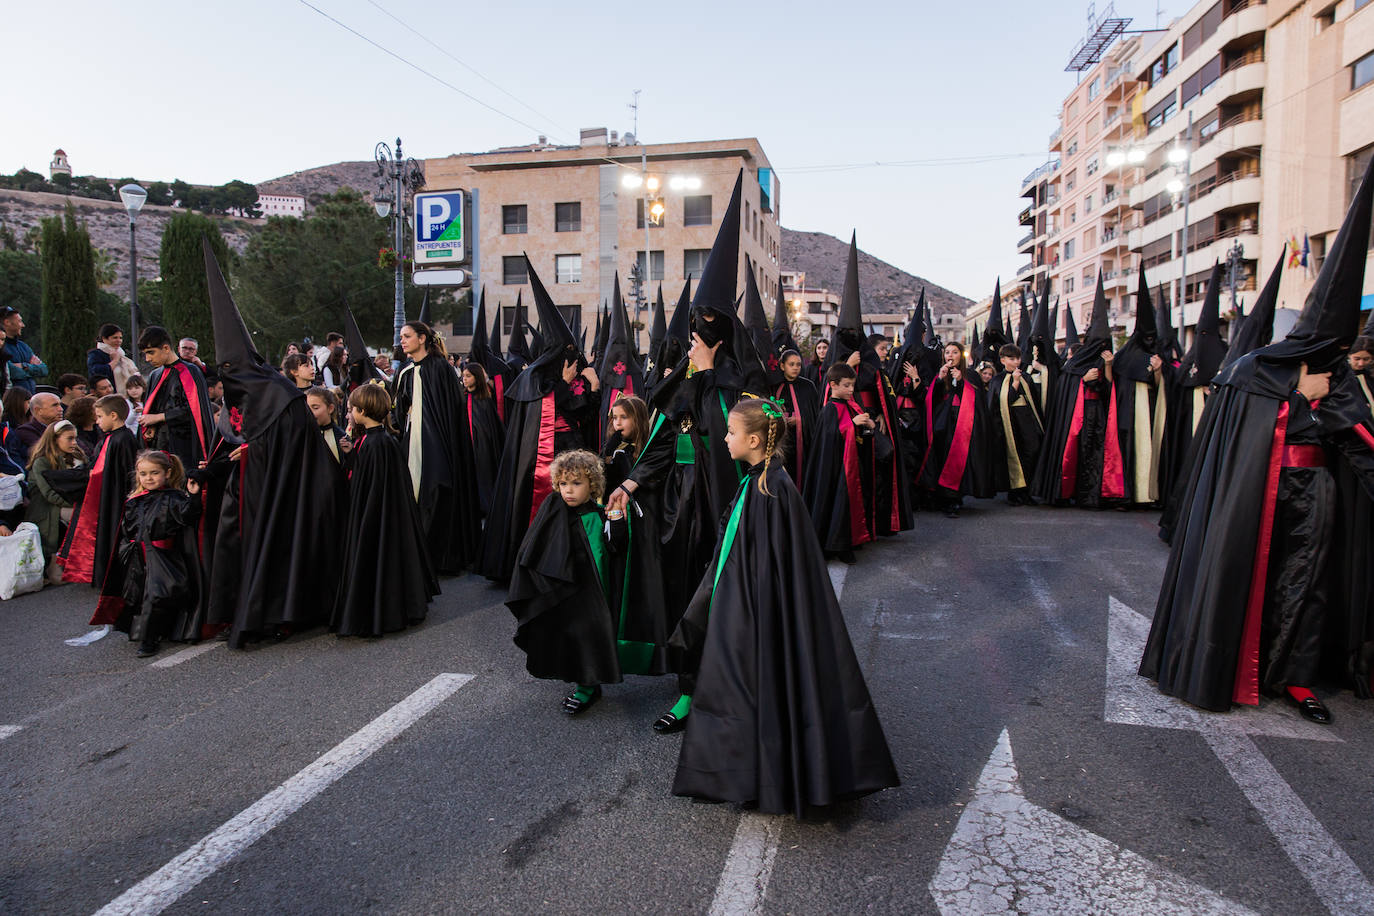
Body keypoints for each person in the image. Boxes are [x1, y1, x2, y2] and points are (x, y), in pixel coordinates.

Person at [1141, 155, 1374, 724]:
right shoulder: (1257, 367)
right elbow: (1240, 426)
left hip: (1316, 494)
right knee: (1253, 579)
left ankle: (1295, 675)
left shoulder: (1340, 375)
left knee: (1310, 585)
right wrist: (1296, 392)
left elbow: (1358, 436)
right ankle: (1239, 664)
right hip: (1261, 495)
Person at [667, 399, 899, 816]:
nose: (724, 438)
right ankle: (759, 774)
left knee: (756, 683)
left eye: (731, 433)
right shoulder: (760, 481)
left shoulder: (771, 488)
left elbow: (772, 567)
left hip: (759, 610)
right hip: (752, 604)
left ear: (754, 440)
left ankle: (770, 777)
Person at [477, 262, 598, 582]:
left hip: (569, 447)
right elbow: (543, 409)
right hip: (540, 460)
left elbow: (576, 411)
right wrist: (565, 383)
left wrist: (591, 389)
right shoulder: (535, 376)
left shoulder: (562, 377)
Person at [506, 449, 625, 714]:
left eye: (576, 483)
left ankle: (589, 686)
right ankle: (586, 686)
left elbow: (615, 548)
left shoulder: (598, 514)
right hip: (566, 591)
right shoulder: (553, 510)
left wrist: (615, 519)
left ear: (592, 484)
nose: (568, 490)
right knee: (573, 636)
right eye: (563, 484)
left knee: (593, 636)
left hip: (596, 590)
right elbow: (534, 549)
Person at [331, 384, 437, 637]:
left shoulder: (376, 443)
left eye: (351, 410)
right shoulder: (374, 440)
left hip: (375, 516)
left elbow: (372, 485)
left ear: (363, 410)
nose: (348, 415)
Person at [392, 320, 482, 576]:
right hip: (412, 443)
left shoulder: (441, 368)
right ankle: (417, 556)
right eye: (401, 336)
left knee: (438, 493)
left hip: (439, 444)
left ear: (422, 338)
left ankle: (441, 557)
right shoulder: (405, 372)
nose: (402, 341)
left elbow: (452, 412)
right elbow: (399, 411)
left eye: (407, 336)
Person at [1032, 278, 1125, 509]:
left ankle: (1091, 496)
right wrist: (1082, 381)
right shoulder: (1076, 363)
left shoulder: (1107, 360)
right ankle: (1067, 491)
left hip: (1098, 415)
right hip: (1077, 414)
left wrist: (1109, 367)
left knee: (1094, 455)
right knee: (1074, 453)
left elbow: (1110, 389)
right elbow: (1066, 384)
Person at [600, 395, 673, 677]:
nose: (617, 424)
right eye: (614, 418)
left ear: (638, 418)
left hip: (647, 525)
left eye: (623, 418)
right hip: (620, 525)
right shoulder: (615, 450)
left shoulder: (649, 451)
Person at [111, 450, 203, 657]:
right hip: (137, 556)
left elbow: (189, 516)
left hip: (163, 556)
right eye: (143, 474)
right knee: (138, 595)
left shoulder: (174, 498)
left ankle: (149, 639)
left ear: (167, 473)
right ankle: (144, 631)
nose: (148, 478)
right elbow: (127, 529)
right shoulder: (134, 501)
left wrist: (194, 496)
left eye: (154, 473)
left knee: (157, 595)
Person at [60, 395, 137, 594]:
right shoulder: (111, 438)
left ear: (114, 415)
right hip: (107, 498)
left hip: (116, 499)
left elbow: (128, 472)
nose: (97, 421)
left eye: (100, 416)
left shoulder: (123, 439)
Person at [805, 364, 877, 560]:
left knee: (850, 504)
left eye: (853, 385)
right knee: (837, 505)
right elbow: (829, 438)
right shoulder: (829, 409)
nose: (851, 390)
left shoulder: (850, 406)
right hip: (835, 470)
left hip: (850, 465)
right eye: (846, 385)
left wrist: (868, 426)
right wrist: (852, 425)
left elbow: (856, 436)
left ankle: (851, 540)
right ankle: (837, 545)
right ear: (833, 385)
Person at [919, 341, 993, 518]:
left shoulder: (971, 375)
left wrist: (961, 381)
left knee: (959, 459)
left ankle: (954, 498)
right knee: (942, 457)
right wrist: (939, 379)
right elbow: (931, 399)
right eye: (947, 353)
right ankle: (943, 497)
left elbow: (976, 399)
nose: (950, 356)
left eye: (954, 352)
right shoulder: (941, 373)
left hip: (962, 424)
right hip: (943, 424)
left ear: (961, 355)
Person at [138, 326, 212, 470]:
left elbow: (194, 411)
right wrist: (151, 426)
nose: (148, 359)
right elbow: (151, 408)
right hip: (160, 444)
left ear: (166, 348)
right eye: (145, 354)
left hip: (183, 445)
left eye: (151, 352)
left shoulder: (190, 372)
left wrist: (158, 417)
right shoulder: (155, 375)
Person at [25, 419, 86, 584]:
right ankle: (56, 565)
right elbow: (49, 494)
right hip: (48, 506)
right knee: (82, 517)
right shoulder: (42, 461)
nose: (74, 442)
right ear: (55, 439)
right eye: (69, 438)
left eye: (75, 438)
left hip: (74, 501)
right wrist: (79, 506)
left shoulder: (77, 456)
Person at [988, 344, 1043, 506]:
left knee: (1031, 452)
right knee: (1013, 455)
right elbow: (999, 403)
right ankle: (1015, 492)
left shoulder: (1026, 377)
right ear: (1003, 360)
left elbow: (1034, 400)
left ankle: (1027, 490)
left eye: (1018, 358)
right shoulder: (998, 380)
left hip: (1026, 421)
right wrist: (1015, 383)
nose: (1016, 362)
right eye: (1012, 359)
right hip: (1009, 424)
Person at [461, 362, 503, 519]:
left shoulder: (485, 401)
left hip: (483, 448)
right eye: (463, 376)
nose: (464, 379)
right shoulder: (462, 398)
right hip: (467, 447)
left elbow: (492, 428)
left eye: (468, 376)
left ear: (477, 378)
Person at [773, 349, 819, 486]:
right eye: (791, 364)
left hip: (804, 442)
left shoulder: (808, 386)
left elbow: (815, 415)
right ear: (782, 366)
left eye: (798, 365)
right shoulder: (775, 387)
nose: (795, 368)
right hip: (783, 442)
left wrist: (800, 420)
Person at [1, 307, 48, 394]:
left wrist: (24, 366)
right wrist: (32, 369)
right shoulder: (2, 347)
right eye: (19, 321)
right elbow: (12, 372)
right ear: (7, 322)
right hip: (11, 401)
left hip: (29, 399)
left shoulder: (23, 346)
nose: (23, 325)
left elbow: (44, 369)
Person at [10, 391, 63, 466]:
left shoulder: (63, 427)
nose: (61, 409)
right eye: (55, 405)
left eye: (60, 405)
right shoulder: (26, 431)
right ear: (38, 410)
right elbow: (47, 452)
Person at [87, 324, 138, 395]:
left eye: (120, 338)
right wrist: (115, 360)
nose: (119, 340)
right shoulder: (96, 354)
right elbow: (96, 372)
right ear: (104, 338)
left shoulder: (122, 355)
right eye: (115, 338)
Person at [306, 388, 351, 466]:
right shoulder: (304, 435)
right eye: (307, 408)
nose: (310, 413)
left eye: (315, 408)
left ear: (330, 408)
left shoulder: (341, 437)